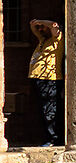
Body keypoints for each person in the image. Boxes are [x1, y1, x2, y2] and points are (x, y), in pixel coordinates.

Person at [26, 18, 61, 146]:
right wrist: (36, 24)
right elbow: (33, 27)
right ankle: (46, 136)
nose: (41, 30)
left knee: (49, 110)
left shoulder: (57, 40)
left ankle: (53, 138)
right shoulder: (43, 40)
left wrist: (42, 22)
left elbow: (53, 26)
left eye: (43, 28)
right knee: (41, 109)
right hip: (37, 78)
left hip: (49, 79)